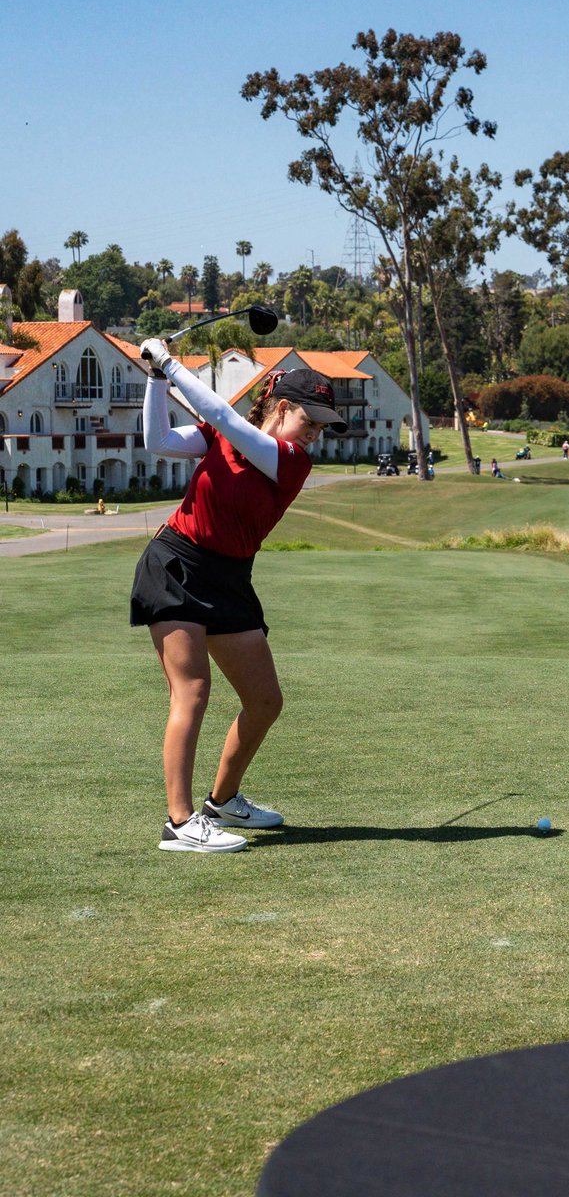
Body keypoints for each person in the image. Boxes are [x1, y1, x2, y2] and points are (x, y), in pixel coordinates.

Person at [132, 339, 347, 853]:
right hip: (176, 565)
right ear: (282, 407)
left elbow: (227, 420)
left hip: (230, 579)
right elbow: (157, 440)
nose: (314, 433)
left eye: (322, 427)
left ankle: (222, 801)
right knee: (194, 690)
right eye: (308, 420)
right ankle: (180, 823)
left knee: (265, 700)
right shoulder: (221, 437)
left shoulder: (291, 460)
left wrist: (169, 363)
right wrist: (156, 378)